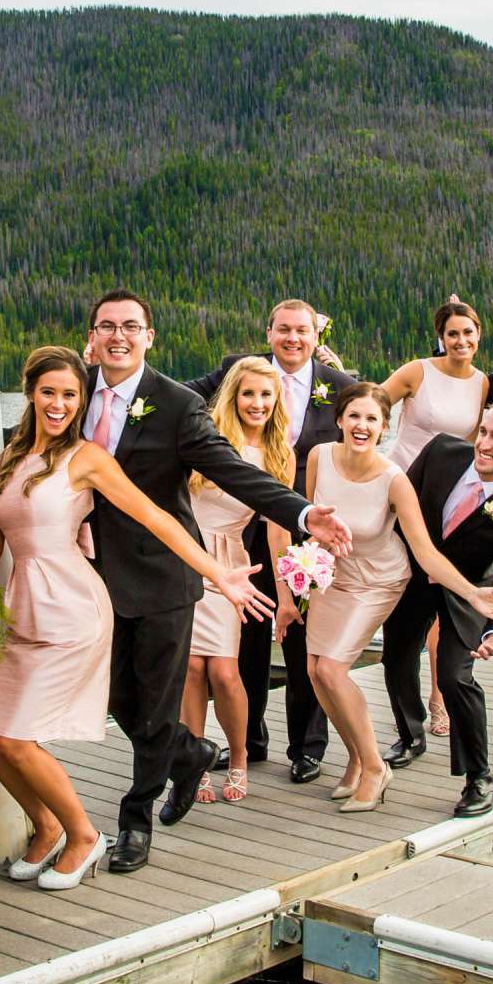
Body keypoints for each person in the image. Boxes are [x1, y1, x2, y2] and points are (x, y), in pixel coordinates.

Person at [0, 347, 271, 889]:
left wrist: (216, 573)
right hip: (22, 608)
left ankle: (84, 836)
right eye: (48, 393)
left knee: (16, 740)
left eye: (69, 395)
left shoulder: (86, 459)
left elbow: (156, 517)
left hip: (70, 607)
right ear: (31, 393)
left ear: (81, 402)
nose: (57, 404)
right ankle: (45, 827)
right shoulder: (12, 456)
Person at [83, 290, 355, 872]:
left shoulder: (177, 404)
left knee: (158, 699)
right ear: (93, 336)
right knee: (114, 697)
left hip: (168, 572)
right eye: (107, 326)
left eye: (131, 326)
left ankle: (135, 821)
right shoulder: (73, 392)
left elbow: (234, 471)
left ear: (149, 336)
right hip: (93, 574)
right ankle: (188, 752)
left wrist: (303, 514)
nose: (119, 336)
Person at [302, 383, 493, 813]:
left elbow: (425, 552)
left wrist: (472, 592)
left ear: (384, 428)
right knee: (314, 671)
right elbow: (311, 518)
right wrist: (306, 567)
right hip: (331, 576)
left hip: (378, 579)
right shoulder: (318, 457)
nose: (361, 426)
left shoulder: (393, 480)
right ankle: (357, 759)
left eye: (372, 419)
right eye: (355, 416)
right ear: (340, 419)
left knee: (332, 668)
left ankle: (377, 767)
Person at [190, 299, 359, 785]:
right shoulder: (237, 374)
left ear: (315, 336)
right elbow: (178, 399)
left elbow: (366, 430)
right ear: (268, 333)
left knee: (303, 635)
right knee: (243, 643)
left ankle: (307, 746)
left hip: (302, 527)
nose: (292, 338)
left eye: (301, 331)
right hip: (237, 532)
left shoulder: (339, 386)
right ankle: (251, 739)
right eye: (283, 329)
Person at [378, 397, 493, 816]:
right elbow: (398, 506)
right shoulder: (440, 452)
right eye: (484, 432)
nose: (484, 444)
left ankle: (480, 778)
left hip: (469, 591)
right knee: (396, 656)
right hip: (414, 575)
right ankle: (411, 733)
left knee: (455, 676)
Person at [182, 357, 293, 806]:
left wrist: (285, 595)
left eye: (267, 395)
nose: (258, 403)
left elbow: (278, 527)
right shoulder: (206, 437)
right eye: (249, 393)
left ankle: (240, 756)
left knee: (225, 672)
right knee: (190, 668)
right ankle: (194, 762)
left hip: (230, 563)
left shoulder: (279, 452)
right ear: (233, 395)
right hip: (186, 554)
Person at [381, 297, 489, 743]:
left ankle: (440, 699)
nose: (460, 341)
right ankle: (403, 707)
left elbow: (473, 443)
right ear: (440, 339)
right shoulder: (417, 372)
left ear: (478, 336)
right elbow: (372, 405)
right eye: (452, 334)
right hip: (401, 487)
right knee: (404, 598)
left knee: (442, 601)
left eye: (467, 333)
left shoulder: (483, 384)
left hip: (446, 497)